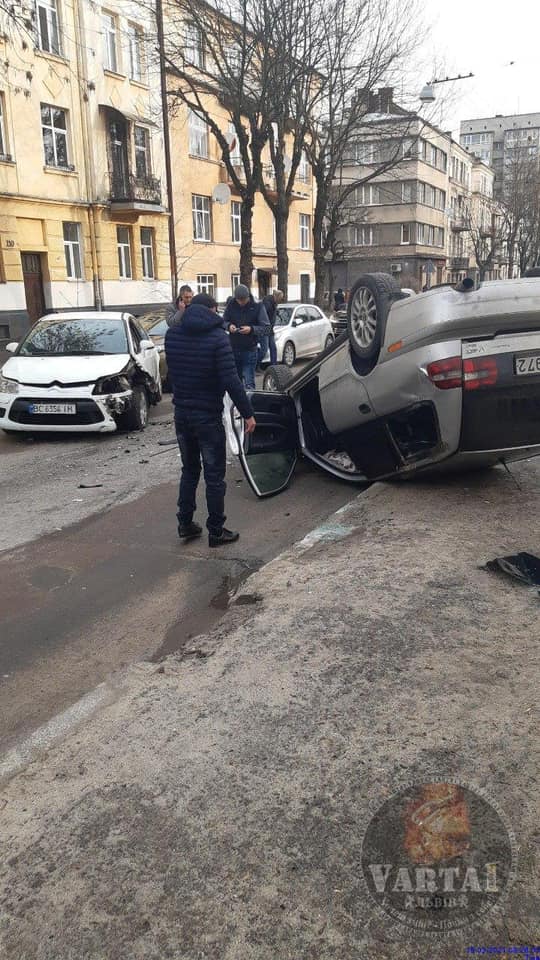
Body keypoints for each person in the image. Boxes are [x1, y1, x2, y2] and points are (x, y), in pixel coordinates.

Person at [165, 293, 256, 547]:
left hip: (181, 414)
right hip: (207, 416)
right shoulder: (218, 338)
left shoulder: (172, 336)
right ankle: (216, 530)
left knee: (190, 470)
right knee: (214, 475)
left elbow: (173, 375)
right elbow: (231, 381)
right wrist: (248, 413)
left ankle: (185, 523)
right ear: (213, 309)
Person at [223, 284, 269, 389]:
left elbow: (267, 328)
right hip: (234, 348)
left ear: (248, 296)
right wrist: (229, 326)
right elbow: (223, 321)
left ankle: (250, 403)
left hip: (250, 349)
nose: (241, 303)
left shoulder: (258, 306)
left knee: (249, 382)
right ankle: (237, 405)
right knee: (236, 383)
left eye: (244, 300)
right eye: (239, 300)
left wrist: (251, 329)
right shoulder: (231, 304)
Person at [260, 289, 284, 366]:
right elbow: (263, 315)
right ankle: (256, 365)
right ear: (276, 297)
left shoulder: (274, 303)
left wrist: (276, 312)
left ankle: (274, 365)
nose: (281, 300)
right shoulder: (268, 302)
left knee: (273, 348)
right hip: (264, 329)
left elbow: (272, 313)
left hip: (270, 329)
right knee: (264, 349)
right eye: (280, 298)